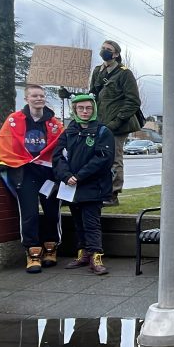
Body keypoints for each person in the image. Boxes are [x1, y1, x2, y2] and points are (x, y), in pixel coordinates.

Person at [0, 84, 64, 273]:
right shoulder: (14, 120)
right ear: (26, 99)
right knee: (29, 212)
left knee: (51, 212)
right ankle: (32, 253)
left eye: (41, 95)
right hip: (26, 172)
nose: (38, 99)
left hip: (48, 174)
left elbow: (62, 147)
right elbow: (4, 142)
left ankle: (51, 247)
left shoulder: (54, 123)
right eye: (34, 96)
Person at [52, 93, 113, 275]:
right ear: (75, 110)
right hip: (71, 187)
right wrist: (66, 176)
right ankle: (83, 253)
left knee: (91, 223)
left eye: (88, 108)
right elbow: (57, 156)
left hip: (93, 186)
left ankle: (95, 256)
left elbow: (103, 158)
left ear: (93, 109)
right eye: (81, 108)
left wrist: (79, 176)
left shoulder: (103, 131)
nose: (85, 111)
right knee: (78, 222)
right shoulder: (69, 131)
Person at [89, 40, 141, 207]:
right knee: (97, 157)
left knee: (114, 159)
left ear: (116, 54)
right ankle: (97, 190)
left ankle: (112, 193)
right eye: (102, 48)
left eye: (108, 49)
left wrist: (117, 121)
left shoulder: (124, 73)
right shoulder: (98, 71)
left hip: (118, 125)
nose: (104, 51)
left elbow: (133, 101)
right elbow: (93, 95)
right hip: (100, 122)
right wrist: (71, 95)